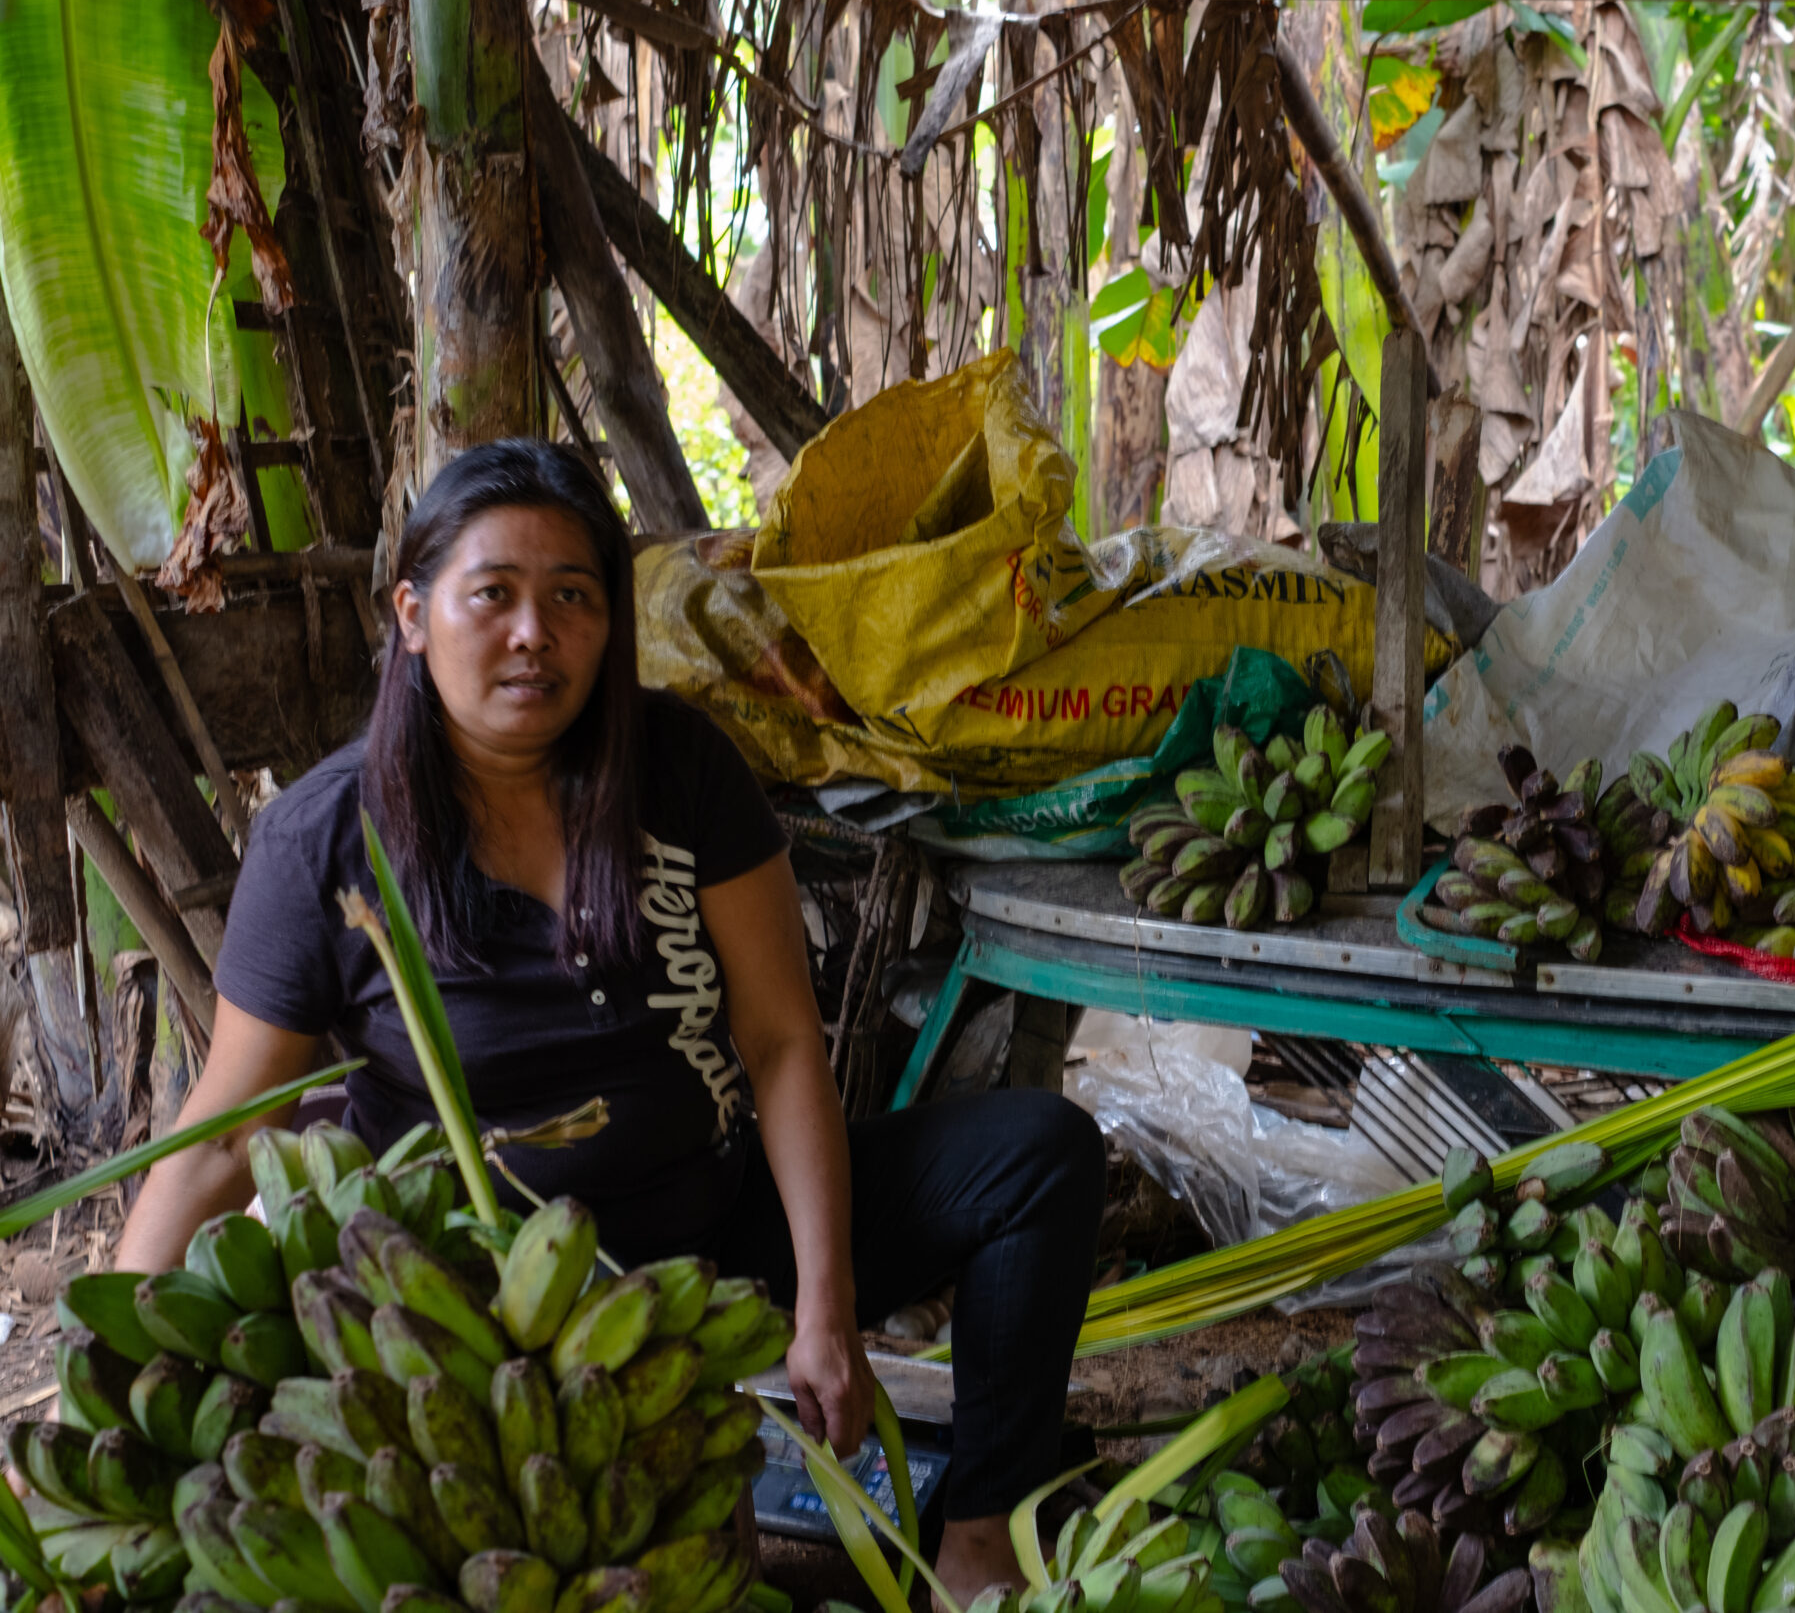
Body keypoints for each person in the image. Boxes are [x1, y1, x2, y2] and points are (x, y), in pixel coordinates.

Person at [118, 440, 1104, 1600]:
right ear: (414, 613)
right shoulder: (327, 839)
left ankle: (982, 1533)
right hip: (472, 1311)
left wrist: (828, 1310)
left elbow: (783, 1042)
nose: (533, 633)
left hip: (712, 1230)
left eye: (571, 597)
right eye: (493, 593)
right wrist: (111, 1368)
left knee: (1035, 1159)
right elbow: (227, 1134)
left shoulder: (681, 768)